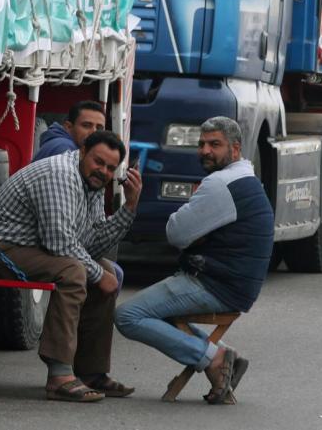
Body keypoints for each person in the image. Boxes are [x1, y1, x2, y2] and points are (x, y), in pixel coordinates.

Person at [0, 130, 143, 403]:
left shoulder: (90, 183)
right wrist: (97, 275)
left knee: (107, 270)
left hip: (29, 249)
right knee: (75, 271)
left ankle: (91, 372)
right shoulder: (61, 175)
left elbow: (92, 243)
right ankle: (60, 376)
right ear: (82, 152)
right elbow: (61, 244)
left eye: (110, 168)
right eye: (98, 162)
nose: (102, 171)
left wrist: (129, 206)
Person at [114, 117, 275, 404]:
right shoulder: (245, 179)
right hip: (235, 283)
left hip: (215, 283)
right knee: (154, 310)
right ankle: (224, 356)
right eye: (201, 144)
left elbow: (175, 233)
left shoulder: (220, 184)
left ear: (235, 150)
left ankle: (215, 357)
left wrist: (195, 229)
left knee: (128, 316)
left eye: (215, 144)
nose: (205, 151)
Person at [31, 100, 107, 164]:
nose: (94, 132)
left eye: (99, 128)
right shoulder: (65, 150)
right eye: (86, 125)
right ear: (68, 127)